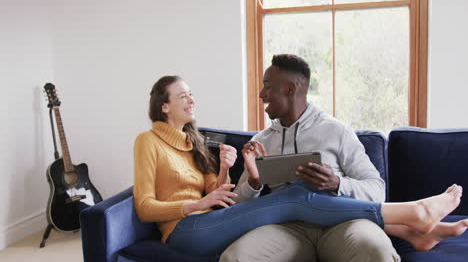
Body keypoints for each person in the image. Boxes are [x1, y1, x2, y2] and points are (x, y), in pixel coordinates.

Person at [133, 75, 468, 258]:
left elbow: (218, 197)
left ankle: (409, 229)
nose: (192, 100)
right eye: (183, 97)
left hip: (213, 221)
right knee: (294, 195)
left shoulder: (197, 142)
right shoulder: (147, 142)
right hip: (183, 233)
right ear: (164, 107)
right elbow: (145, 208)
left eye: (192, 94)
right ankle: (412, 215)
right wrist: (198, 204)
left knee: (299, 194)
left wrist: (228, 171)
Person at [220, 54, 466, 262]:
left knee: (377, 251)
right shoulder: (261, 141)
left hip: (342, 225)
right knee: (236, 257)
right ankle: (415, 223)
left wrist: (337, 184)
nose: (262, 93)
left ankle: (417, 224)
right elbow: (239, 204)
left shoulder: (336, 131)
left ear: (290, 89)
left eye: (268, 86)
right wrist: (253, 181)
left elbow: (376, 190)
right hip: (287, 229)